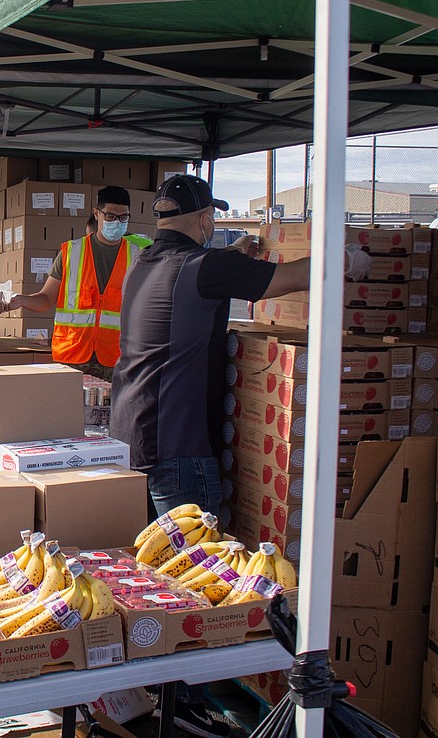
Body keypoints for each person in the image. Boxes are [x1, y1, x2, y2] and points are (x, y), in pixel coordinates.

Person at [108, 174, 370, 738]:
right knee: (202, 590)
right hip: (179, 446)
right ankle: (198, 709)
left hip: (133, 439)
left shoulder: (144, 266)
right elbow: (288, 279)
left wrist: (237, 254)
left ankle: (167, 694)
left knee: (158, 579)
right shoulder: (205, 268)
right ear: (204, 219)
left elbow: (219, 274)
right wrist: (344, 259)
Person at [0, 186, 150, 380]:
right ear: (97, 214)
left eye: (123, 218)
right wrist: (20, 300)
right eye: (110, 216)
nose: (117, 223)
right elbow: (47, 298)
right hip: (74, 357)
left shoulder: (138, 256)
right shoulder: (71, 252)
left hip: (117, 360)